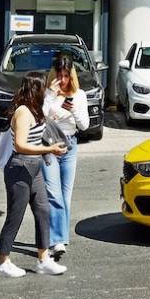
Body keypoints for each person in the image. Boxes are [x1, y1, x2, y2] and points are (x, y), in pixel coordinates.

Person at [0, 72, 68, 278]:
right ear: (35, 90)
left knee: (43, 211)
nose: (45, 92)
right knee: (15, 216)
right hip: (19, 168)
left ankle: (43, 260)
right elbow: (20, 145)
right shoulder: (23, 112)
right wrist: (49, 149)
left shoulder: (35, 109)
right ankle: (2, 262)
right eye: (43, 88)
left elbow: (49, 106)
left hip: (34, 169)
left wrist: (54, 92)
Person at [42, 54, 89, 263]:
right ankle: (57, 240)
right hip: (50, 145)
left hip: (70, 145)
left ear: (72, 76)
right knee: (54, 194)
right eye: (59, 75)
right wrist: (51, 95)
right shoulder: (48, 93)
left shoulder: (79, 95)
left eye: (66, 76)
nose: (62, 80)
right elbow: (40, 116)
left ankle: (60, 237)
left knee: (65, 195)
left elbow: (84, 125)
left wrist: (74, 111)